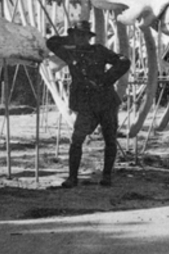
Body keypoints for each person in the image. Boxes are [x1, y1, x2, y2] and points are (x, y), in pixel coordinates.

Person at [46, 20, 131, 188]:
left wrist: (105, 80)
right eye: (77, 35)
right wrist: (69, 39)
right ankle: (72, 178)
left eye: (83, 35)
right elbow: (51, 42)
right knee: (77, 139)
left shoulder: (98, 50)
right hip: (86, 104)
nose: (80, 38)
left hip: (106, 101)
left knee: (110, 139)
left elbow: (123, 61)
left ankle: (106, 176)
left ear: (88, 37)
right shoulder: (69, 53)